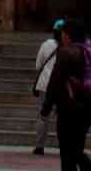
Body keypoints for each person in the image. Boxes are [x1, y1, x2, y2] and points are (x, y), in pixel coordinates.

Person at [41, 19, 91, 171]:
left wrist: (47, 105)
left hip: (68, 108)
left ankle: (87, 165)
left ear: (67, 35)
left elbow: (55, 81)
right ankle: (85, 164)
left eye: (62, 34)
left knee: (67, 150)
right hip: (88, 108)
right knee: (77, 145)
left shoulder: (66, 53)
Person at [33, 19, 63, 155]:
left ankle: (39, 146)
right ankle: (64, 145)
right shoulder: (69, 46)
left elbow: (38, 65)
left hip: (45, 84)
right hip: (60, 86)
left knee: (43, 116)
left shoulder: (46, 45)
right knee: (62, 117)